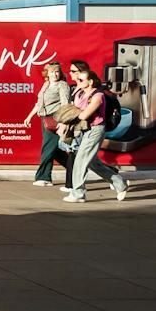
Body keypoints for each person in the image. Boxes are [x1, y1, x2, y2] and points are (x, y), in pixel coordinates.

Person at [60, 59, 128, 203]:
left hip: (95, 130)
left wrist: (71, 114)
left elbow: (84, 115)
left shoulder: (98, 96)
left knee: (80, 160)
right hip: (82, 130)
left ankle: (78, 193)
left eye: (80, 79)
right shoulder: (78, 92)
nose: (77, 80)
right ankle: (120, 183)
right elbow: (73, 109)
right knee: (92, 163)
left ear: (90, 82)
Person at [22, 61, 71, 187]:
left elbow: (65, 104)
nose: (55, 74)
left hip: (55, 119)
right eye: (52, 71)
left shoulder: (62, 85)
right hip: (45, 119)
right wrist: (29, 116)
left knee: (47, 148)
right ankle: (76, 168)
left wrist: (63, 122)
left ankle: (43, 177)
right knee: (54, 151)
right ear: (47, 73)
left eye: (57, 71)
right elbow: (39, 103)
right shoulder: (46, 85)